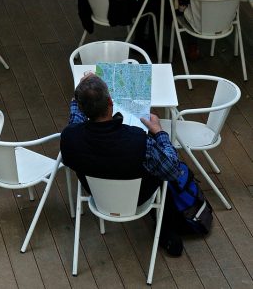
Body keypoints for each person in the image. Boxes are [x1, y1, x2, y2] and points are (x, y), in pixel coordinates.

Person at [60, 73, 183, 256]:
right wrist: (158, 132)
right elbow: (173, 170)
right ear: (110, 102)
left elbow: (75, 122)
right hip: (139, 197)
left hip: (98, 196)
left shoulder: (70, 137)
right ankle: (168, 230)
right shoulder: (138, 140)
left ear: (81, 108)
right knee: (165, 164)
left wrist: (81, 93)